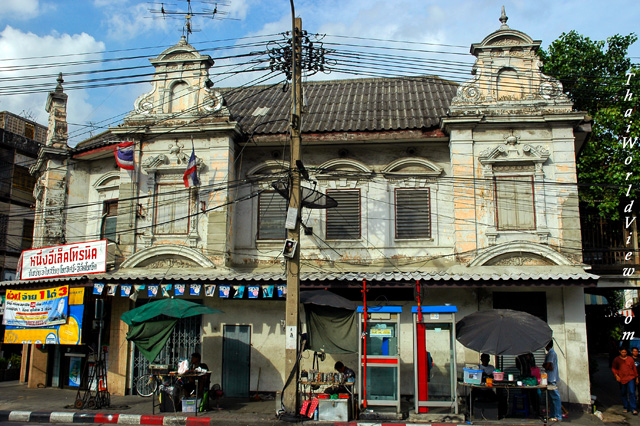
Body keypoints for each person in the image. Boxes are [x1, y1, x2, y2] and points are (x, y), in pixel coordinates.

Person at [612, 347, 638, 415]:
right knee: (623, 392)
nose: (624, 354)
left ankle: (633, 408)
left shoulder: (630, 359)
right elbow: (614, 368)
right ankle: (626, 406)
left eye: (625, 352)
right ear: (620, 352)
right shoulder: (617, 359)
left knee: (632, 392)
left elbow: (634, 368)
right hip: (622, 378)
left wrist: (637, 377)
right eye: (623, 352)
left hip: (630, 377)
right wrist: (616, 376)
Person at [516, 352, 541, 418]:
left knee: (534, 396)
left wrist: (529, 359)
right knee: (525, 395)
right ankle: (527, 411)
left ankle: (536, 411)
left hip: (532, 379)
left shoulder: (531, 356)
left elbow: (533, 365)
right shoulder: (518, 357)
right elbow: (518, 367)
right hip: (523, 378)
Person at [543, 341, 563, 422]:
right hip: (549, 378)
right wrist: (547, 366)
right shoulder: (549, 353)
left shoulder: (551, 353)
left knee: (555, 397)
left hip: (552, 379)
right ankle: (552, 415)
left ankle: (558, 416)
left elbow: (547, 366)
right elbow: (546, 365)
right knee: (551, 399)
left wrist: (546, 366)